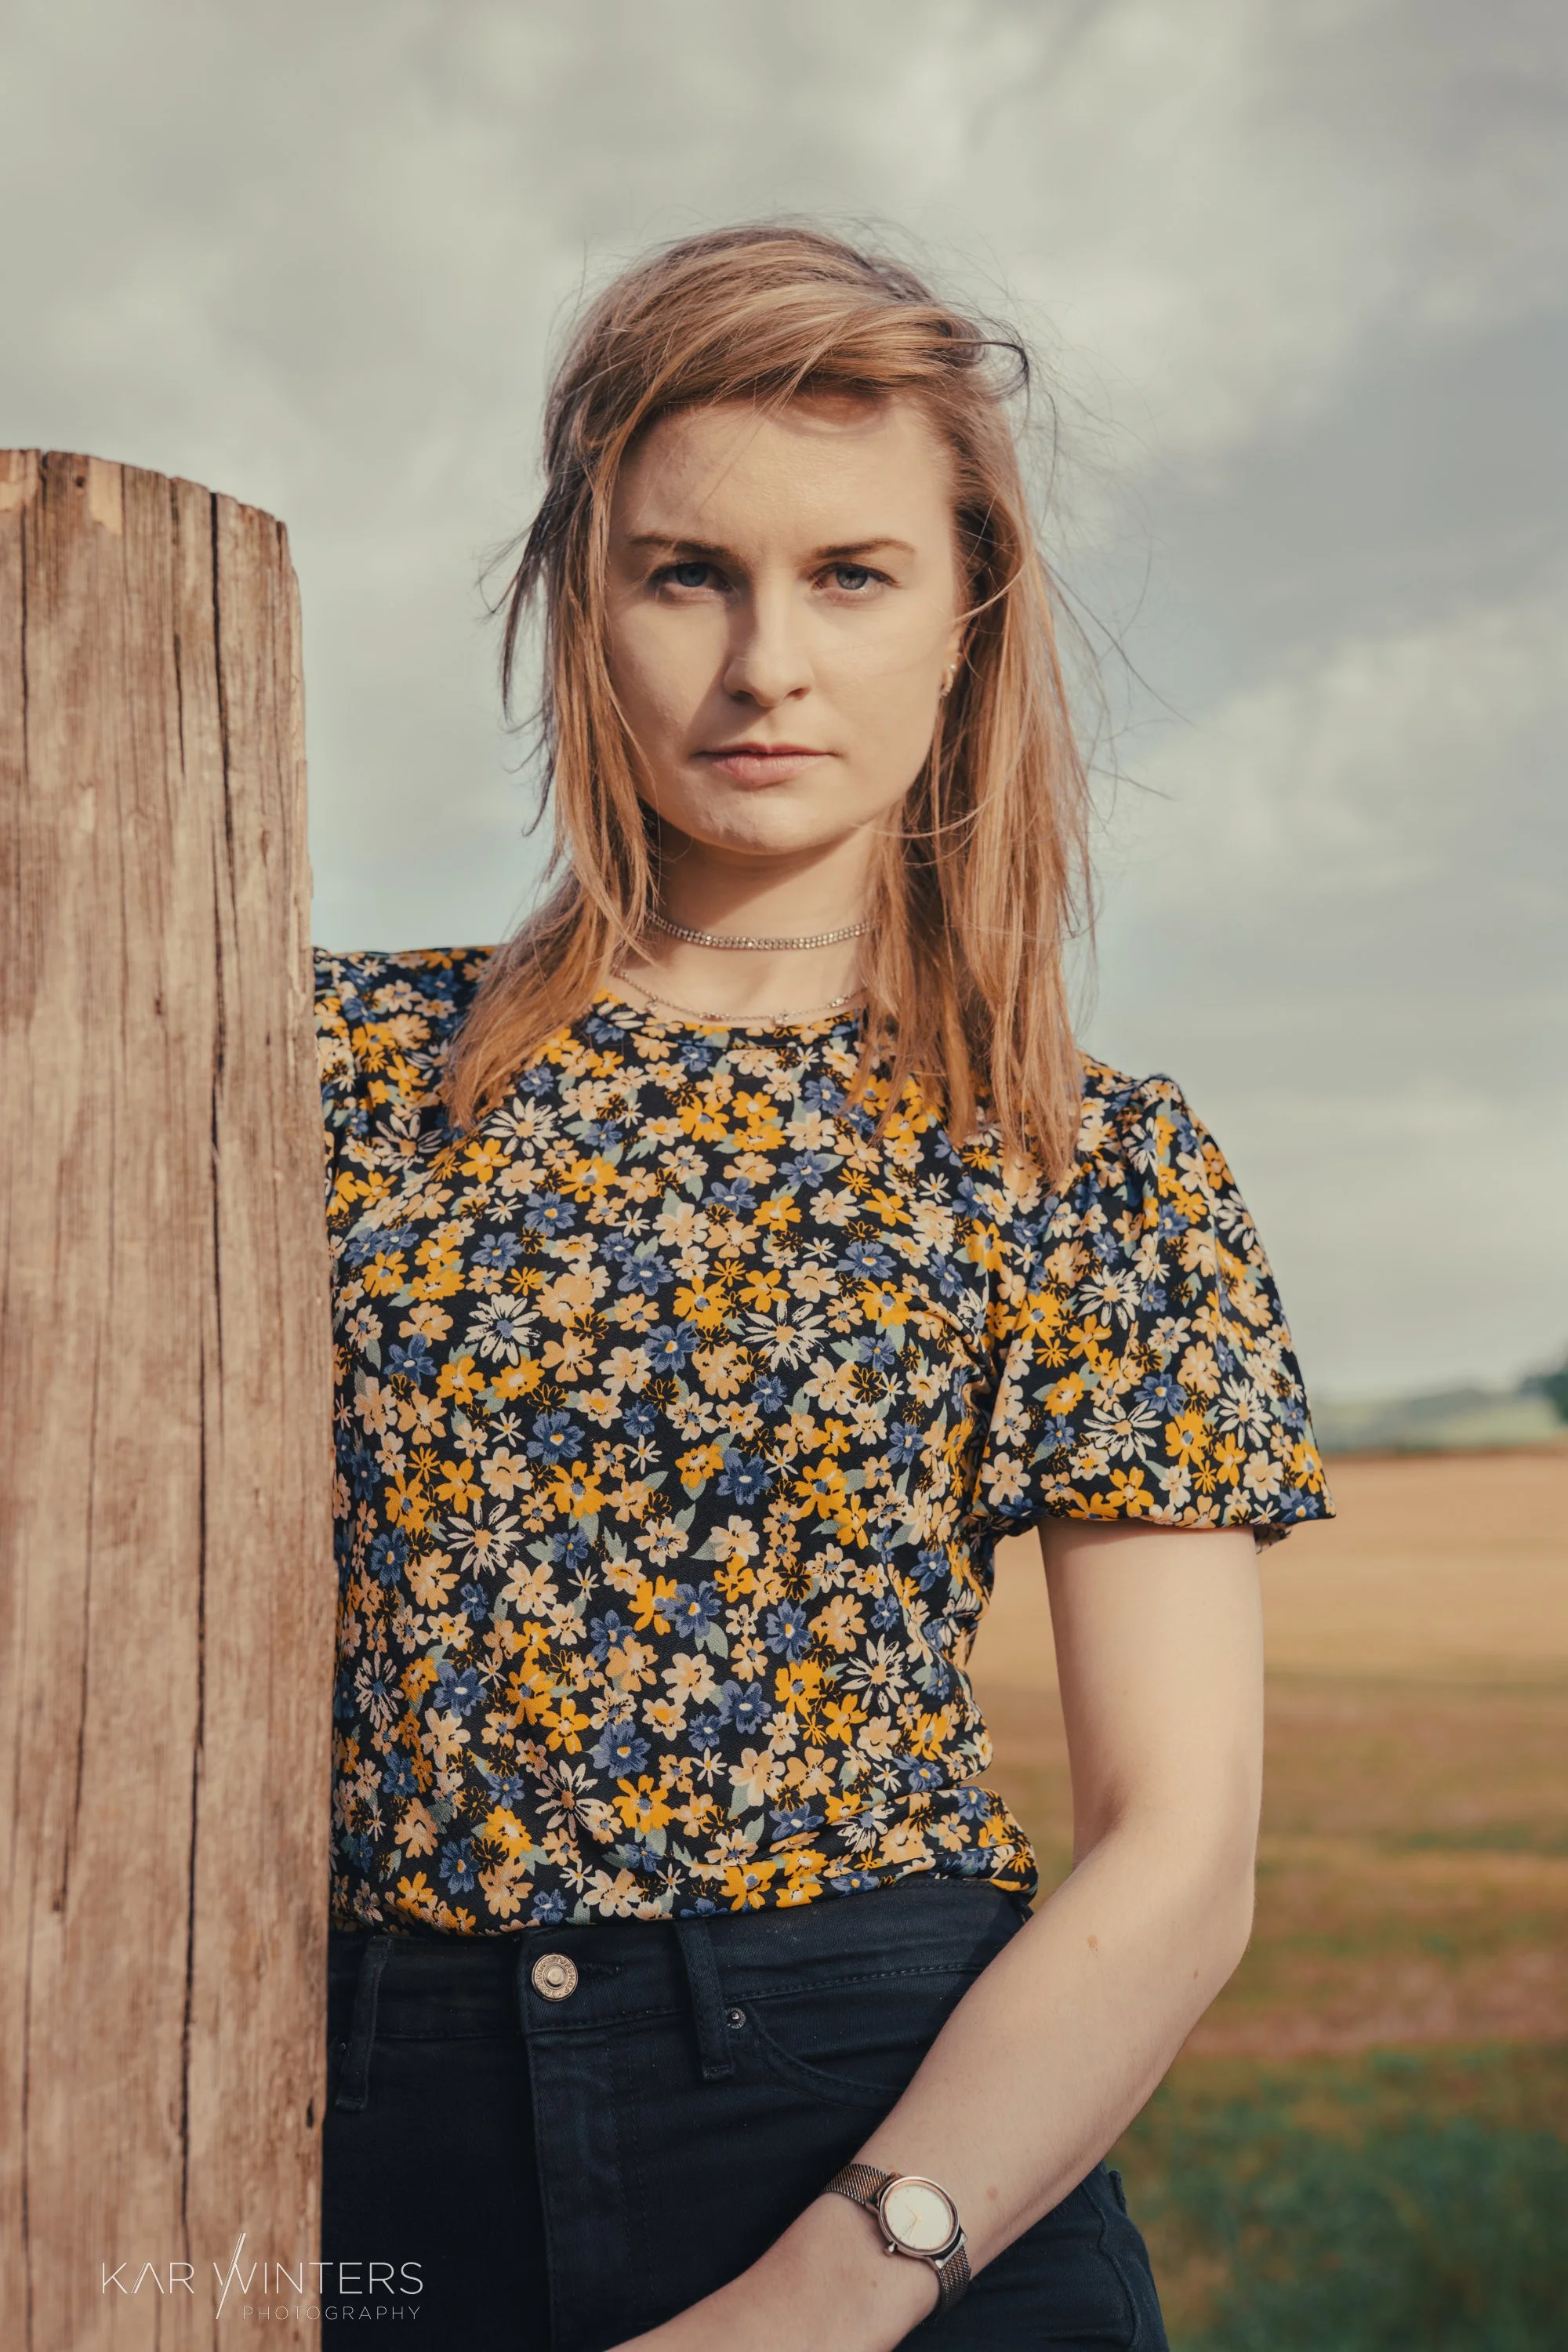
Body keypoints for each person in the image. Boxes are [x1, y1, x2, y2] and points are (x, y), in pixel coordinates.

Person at [315, 223, 1332, 2352]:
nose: (764, 660)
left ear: (968, 615)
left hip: (886, 2141)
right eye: (688, 572)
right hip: (358, 2153)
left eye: (850, 575)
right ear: (579, 608)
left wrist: (827, 2292)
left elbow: (1182, 1853)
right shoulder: (322, 1072)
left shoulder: (1087, 1162)